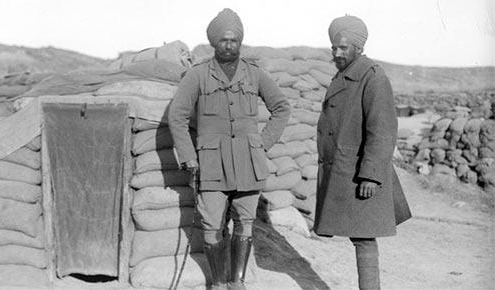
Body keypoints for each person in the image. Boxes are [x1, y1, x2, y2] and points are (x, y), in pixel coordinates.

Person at [168, 8, 290, 290]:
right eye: (223, 40)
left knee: (245, 223)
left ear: (241, 41)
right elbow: (177, 115)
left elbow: (282, 108)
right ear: (213, 42)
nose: (229, 45)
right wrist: (188, 157)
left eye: (235, 40)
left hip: (248, 163)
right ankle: (219, 283)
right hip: (210, 165)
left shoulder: (255, 74)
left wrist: (262, 144)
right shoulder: (197, 75)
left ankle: (237, 282)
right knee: (211, 226)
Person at [314, 15, 412, 290]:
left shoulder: (372, 76)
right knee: (360, 237)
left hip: (360, 172)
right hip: (346, 169)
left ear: (358, 47)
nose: (337, 52)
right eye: (334, 47)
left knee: (364, 237)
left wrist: (370, 175)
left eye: (343, 47)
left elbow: (382, 130)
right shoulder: (343, 75)